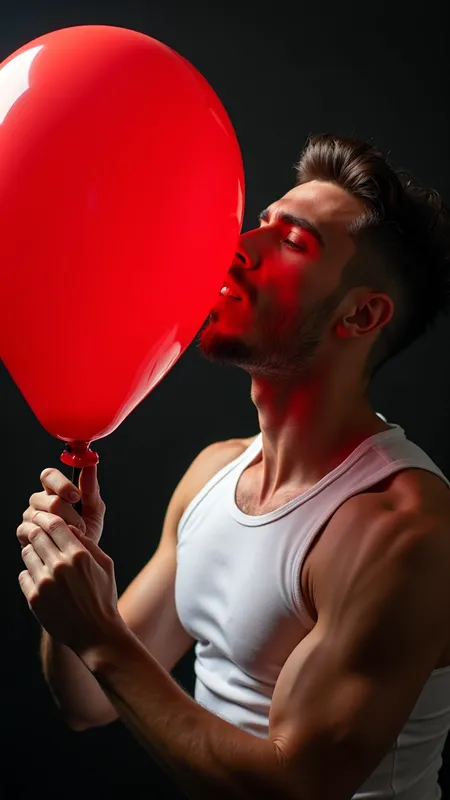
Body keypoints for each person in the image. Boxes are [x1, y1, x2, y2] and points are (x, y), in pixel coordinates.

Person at [17, 134, 450, 800]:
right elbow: (87, 699)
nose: (240, 246)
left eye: (294, 242)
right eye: (262, 223)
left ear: (362, 313)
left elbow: (294, 788)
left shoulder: (403, 531)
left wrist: (100, 633)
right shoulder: (213, 475)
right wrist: (74, 591)